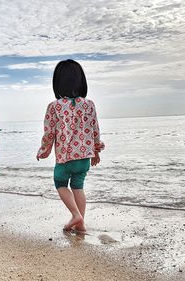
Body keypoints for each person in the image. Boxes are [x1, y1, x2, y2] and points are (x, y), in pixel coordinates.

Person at [36, 59, 104, 233]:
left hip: (65, 157)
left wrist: (43, 151)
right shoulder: (89, 105)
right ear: (81, 82)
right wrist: (96, 151)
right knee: (78, 186)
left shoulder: (54, 107)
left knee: (60, 182)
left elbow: (49, 133)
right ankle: (80, 223)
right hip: (84, 158)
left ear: (57, 83)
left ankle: (75, 215)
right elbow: (95, 129)